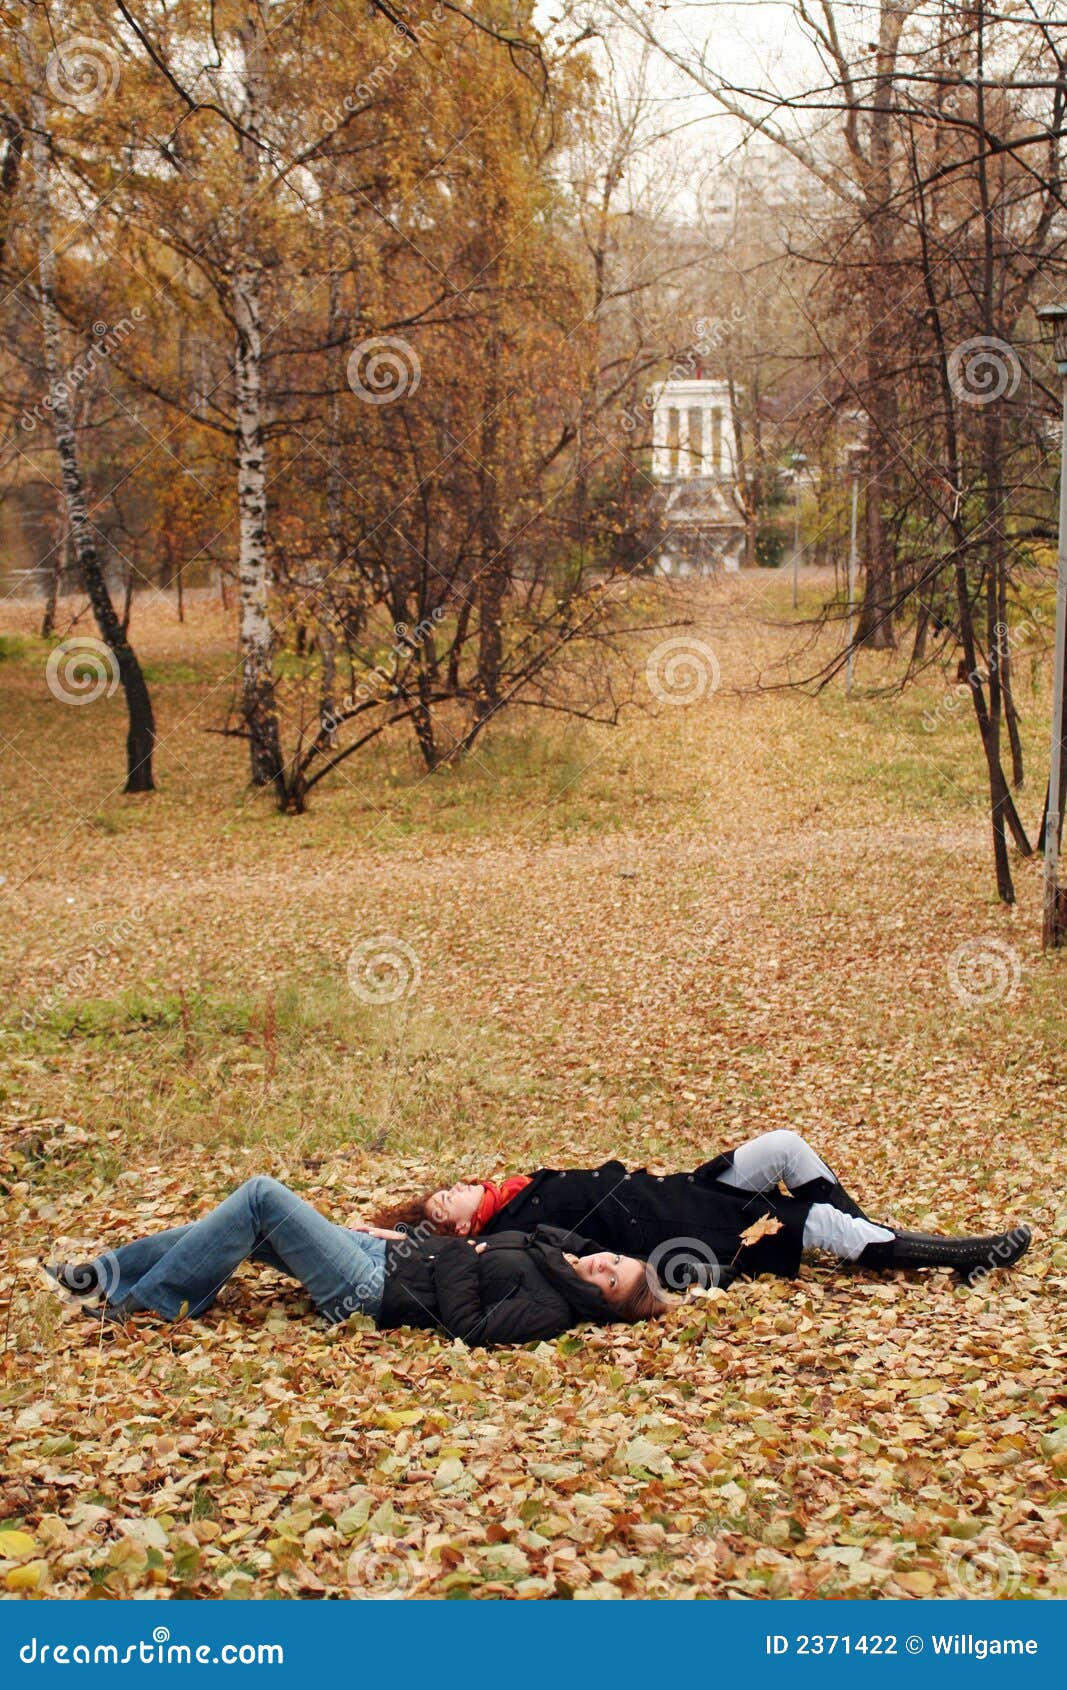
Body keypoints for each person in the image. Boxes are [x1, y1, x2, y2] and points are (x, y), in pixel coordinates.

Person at [364, 1129, 1032, 1290]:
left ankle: (871, 1241)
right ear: (453, 1224)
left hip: (684, 1188)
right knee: (821, 1225)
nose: (455, 1186)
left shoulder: (512, 1190)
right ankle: (955, 1255)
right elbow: (576, 1254)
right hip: (685, 1234)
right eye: (444, 1197)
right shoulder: (507, 1231)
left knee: (783, 1147)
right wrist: (382, 1236)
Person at [43, 1176, 662, 1345]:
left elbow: (467, 1325)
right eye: (615, 1260)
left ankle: (145, 1305)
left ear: (602, 1304)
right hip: (384, 1258)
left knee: (262, 1197)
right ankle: (103, 1275)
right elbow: (535, 1233)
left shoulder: (550, 1310)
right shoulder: (560, 1255)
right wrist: (404, 1238)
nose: (603, 1266)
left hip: (369, 1294)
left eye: (612, 1281)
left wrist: (450, 1250)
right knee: (243, 1227)